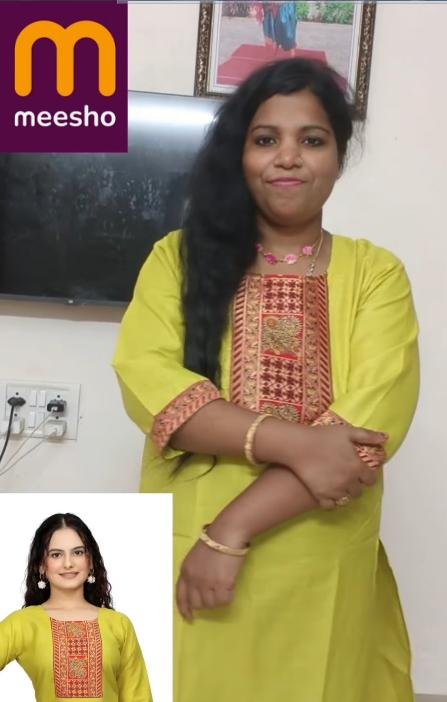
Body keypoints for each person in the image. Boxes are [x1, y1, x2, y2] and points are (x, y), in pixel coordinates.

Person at [113, 58, 419, 702]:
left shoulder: (376, 274)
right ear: (240, 155)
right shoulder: (178, 259)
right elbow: (148, 380)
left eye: (312, 140)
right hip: (187, 549)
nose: (288, 157)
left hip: (319, 554)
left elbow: (369, 425)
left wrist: (230, 532)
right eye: (265, 139)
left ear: (338, 158)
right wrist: (300, 443)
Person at [0, 513, 152, 702]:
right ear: (41, 566)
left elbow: (138, 697)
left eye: (78, 552)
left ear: (91, 561)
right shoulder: (23, 623)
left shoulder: (119, 624)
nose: (68, 563)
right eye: (56, 555)